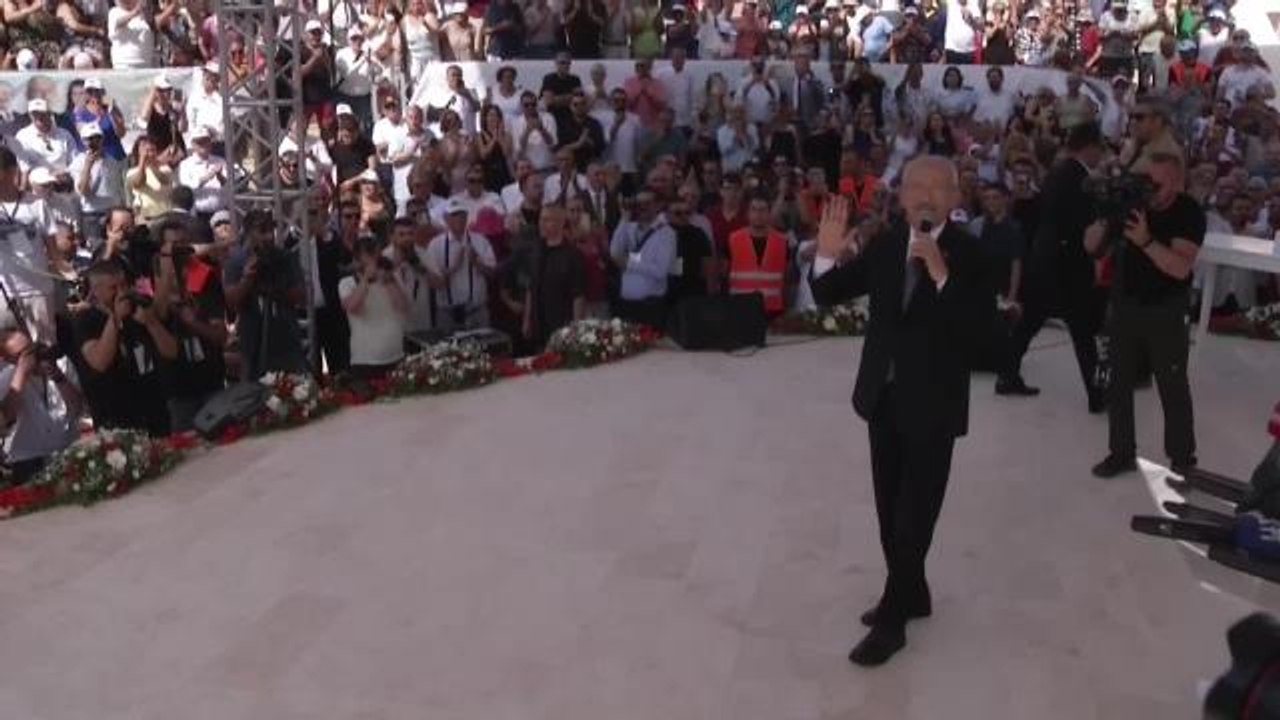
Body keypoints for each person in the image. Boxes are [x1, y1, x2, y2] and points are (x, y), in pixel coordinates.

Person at [809, 157, 981, 667]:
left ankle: (892, 617)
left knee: (913, 518)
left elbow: (986, 335)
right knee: (888, 509)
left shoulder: (971, 253)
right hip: (882, 399)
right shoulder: (886, 245)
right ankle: (915, 591)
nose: (925, 195)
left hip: (935, 407)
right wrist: (825, 253)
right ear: (901, 196)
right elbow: (827, 292)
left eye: (938, 187)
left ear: (955, 199)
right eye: (915, 186)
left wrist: (943, 276)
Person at [1090, 152, 1203, 478]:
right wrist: (1105, 214)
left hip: (1165, 309)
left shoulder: (1188, 212)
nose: (1149, 189)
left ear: (1177, 182)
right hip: (1125, 305)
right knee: (1118, 383)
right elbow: (1092, 247)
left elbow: (1181, 268)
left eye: (1157, 182)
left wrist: (1146, 241)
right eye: (1145, 181)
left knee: (1172, 385)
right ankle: (1121, 452)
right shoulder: (1132, 206)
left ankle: (1182, 459)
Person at [1003, 123, 1107, 408]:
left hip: (1047, 261)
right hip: (1066, 266)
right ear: (1090, 146)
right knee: (1083, 333)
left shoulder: (1059, 173)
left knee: (1030, 323)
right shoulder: (1076, 177)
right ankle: (1097, 395)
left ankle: (1007, 375)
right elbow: (1075, 224)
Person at [74, 259, 177, 437]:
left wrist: (152, 323)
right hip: (115, 420)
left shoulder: (138, 308)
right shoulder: (86, 320)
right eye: (113, 288)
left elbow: (171, 352)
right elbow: (99, 361)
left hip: (154, 411)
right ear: (96, 291)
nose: (122, 293)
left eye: (124, 285)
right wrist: (115, 318)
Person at [151, 219, 227, 431]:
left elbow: (221, 336)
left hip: (211, 380)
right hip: (178, 389)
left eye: (184, 244)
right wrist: (166, 267)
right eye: (173, 246)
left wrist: (193, 323)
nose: (180, 252)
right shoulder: (150, 284)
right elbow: (158, 312)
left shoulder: (204, 277)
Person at [222, 209, 309, 380]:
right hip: (253, 339)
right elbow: (231, 302)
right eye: (262, 231)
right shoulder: (236, 261)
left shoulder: (285, 257)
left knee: (296, 390)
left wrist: (274, 289)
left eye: (271, 230)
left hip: (286, 336)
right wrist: (247, 279)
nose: (269, 236)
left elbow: (301, 296)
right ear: (247, 233)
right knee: (254, 393)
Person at [0, 324, 82, 484]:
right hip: (28, 459)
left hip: (67, 448)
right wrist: (21, 373)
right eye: (21, 355)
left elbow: (78, 408)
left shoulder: (62, 364)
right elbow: (6, 417)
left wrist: (58, 376)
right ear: (9, 359)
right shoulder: (8, 378)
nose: (31, 357)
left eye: (30, 350)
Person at [340, 236, 409, 378]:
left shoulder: (392, 278)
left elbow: (403, 306)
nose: (374, 261)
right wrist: (365, 279)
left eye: (376, 255)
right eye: (369, 256)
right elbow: (353, 307)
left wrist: (390, 282)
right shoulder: (347, 283)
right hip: (365, 360)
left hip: (396, 355)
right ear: (357, 260)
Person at [426, 199, 497, 331]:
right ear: (446, 219)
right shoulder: (435, 245)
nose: (458, 219)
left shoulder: (480, 241)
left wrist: (476, 261)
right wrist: (453, 267)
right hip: (447, 313)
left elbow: (493, 274)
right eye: (454, 216)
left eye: (461, 215)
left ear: (467, 217)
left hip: (477, 311)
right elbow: (434, 284)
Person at [610, 189, 676, 328]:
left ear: (658, 205)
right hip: (626, 304)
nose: (642, 207)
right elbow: (615, 252)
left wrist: (630, 262)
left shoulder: (667, 233)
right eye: (638, 203)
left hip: (651, 307)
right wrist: (624, 218)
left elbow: (661, 270)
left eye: (647, 203)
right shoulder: (630, 228)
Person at [523, 203, 586, 346]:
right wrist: (527, 320)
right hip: (538, 325)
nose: (542, 224)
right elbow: (530, 288)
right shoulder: (535, 251)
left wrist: (576, 329)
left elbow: (578, 295)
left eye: (547, 220)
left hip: (562, 326)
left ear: (560, 223)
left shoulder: (573, 256)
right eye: (541, 219)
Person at [727, 193, 788, 317]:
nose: (758, 214)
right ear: (747, 213)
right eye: (754, 209)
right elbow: (722, 272)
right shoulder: (733, 239)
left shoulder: (782, 241)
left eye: (762, 210)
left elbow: (788, 277)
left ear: (769, 213)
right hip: (740, 306)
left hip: (772, 308)